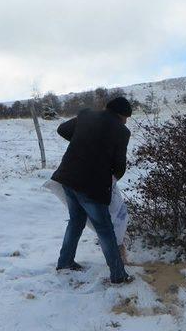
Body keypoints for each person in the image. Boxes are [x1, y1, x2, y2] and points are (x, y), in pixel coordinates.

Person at [51, 96, 133, 284]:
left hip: (68, 177)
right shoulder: (121, 131)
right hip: (91, 185)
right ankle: (118, 275)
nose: (126, 121)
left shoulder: (87, 115)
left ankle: (65, 262)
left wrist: (83, 140)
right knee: (105, 229)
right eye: (126, 117)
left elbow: (62, 129)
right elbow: (119, 166)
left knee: (76, 221)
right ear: (121, 115)